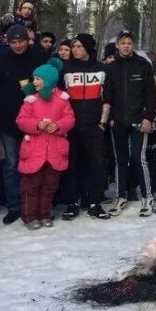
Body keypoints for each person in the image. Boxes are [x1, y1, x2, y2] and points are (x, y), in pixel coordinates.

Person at [0, 24, 48, 225]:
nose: (18, 45)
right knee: (11, 164)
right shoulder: (0, 59)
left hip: (33, 120)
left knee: (34, 163)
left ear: (27, 41)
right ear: (8, 42)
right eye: (14, 42)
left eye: (21, 41)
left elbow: (46, 85)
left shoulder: (38, 57)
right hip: (8, 121)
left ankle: (33, 202)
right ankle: (14, 206)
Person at [15, 62, 75, 229]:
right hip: (34, 150)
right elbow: (21, 120)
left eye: (38, 79)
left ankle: (44, 213)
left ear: (48, 81)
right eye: (34, 78)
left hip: (54, 151)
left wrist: (58, 126)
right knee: (31, 186)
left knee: (50, 186)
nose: (34, 82)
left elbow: (70, 119)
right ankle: (29, 216)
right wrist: (37, 125)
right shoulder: (31, 100)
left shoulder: (62, 100)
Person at [104, 30, 156, 217]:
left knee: (138, 157)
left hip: (138, 121)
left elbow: (151, 95)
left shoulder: (143, 65)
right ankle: (120, 196)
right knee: (120, 160)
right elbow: (108, 94)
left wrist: (148, 117)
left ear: (133, 45)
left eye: (129, 43)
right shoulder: (111, 67)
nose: (126, 46)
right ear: (117, 45)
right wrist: (109, 118)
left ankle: (148, 196)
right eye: (123, 43)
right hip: (117, 121)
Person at [59, 33, 111, 220]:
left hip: (95, 126)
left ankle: (94, 202)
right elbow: (60, 97)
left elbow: (107, 98)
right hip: (71, 126)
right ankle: (73, 202)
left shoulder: (102, 69)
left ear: (88, 48)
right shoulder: (65, 69)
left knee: (96, 164)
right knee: (72, 164)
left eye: (79, 46)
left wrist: (102, 123)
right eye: (73, 46)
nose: (75, 50)